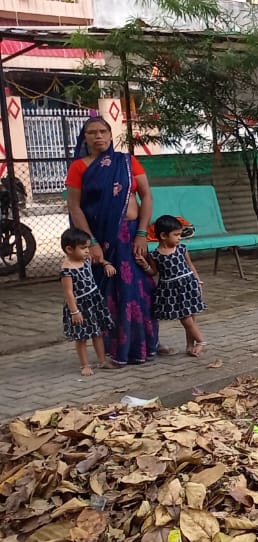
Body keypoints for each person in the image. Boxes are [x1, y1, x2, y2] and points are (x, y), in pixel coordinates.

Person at [65, 117, 163, 364]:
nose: (98, 136)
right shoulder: (79, 167)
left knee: (140, 291)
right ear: (84, 138)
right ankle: (115, 348)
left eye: (102, 131)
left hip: (131, 236)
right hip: (102, 239)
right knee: (108, 292)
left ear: (110, 135)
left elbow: (146, 196)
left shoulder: (126, 162)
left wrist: (142, 233)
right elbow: (75, 208)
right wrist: (92, 243)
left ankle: (146, 344)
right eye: (91, 132)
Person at [138, 215, 208, 357]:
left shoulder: (182, 249)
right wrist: (145, 265)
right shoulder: (155, 255)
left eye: (180, 234)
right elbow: (153, 272)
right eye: (176, 235)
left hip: (188, 285)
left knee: (191, 318)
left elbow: (190, 266)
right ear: (163, 235)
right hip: (172, 291)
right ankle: (201, 341)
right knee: (186, 319)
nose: (179, 238)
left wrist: (198, 282)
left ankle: (190, 345)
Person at [59, 228, 117, 376]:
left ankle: (102, 360)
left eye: (87, 247)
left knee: (97, 332)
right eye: (83, 248)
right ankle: (84, 365)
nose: (87, 251)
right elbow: (69, 293)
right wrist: (74, 311)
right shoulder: (67, 270)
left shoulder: (86, 260)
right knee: (82, 337)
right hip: (80, 305)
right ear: (69, 249)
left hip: (94, 300)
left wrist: (105, 264)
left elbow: (99, 259)